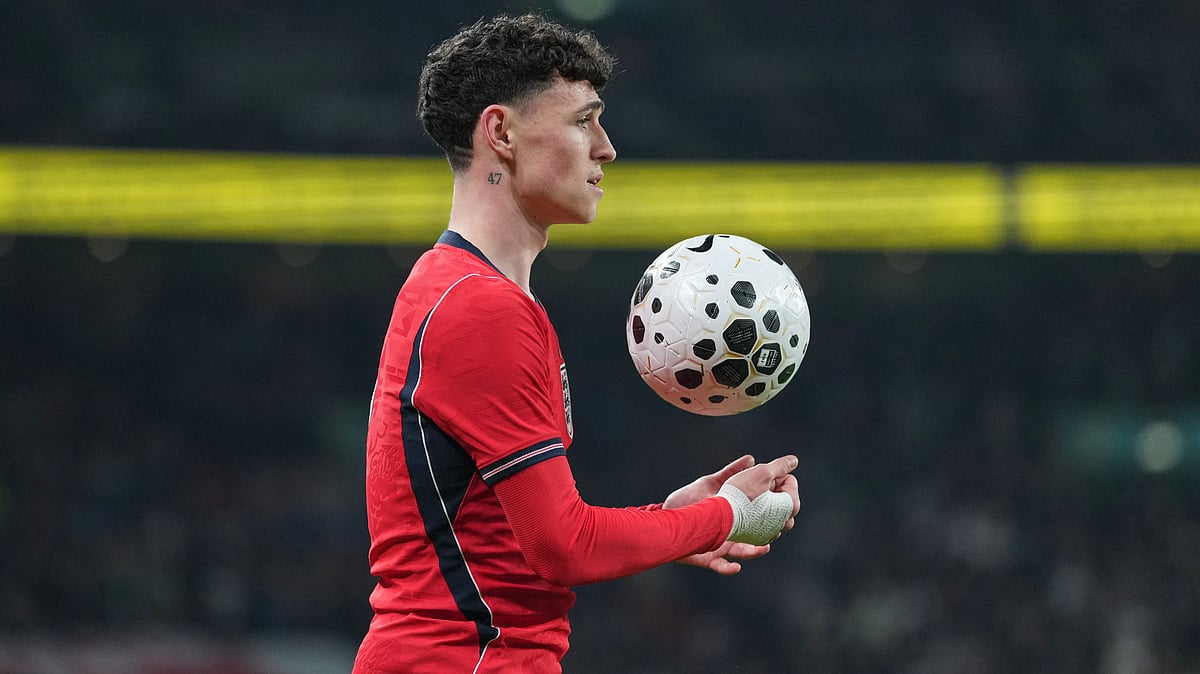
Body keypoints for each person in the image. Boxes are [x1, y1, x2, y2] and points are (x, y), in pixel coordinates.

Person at [352, 14, 801, 673]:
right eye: (582, 121)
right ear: (501, 133)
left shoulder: (457, 289)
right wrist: (723, 516)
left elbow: (518, 537)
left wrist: (674, 521)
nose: (606, 147)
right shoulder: (482, 310)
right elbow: (564, 547)